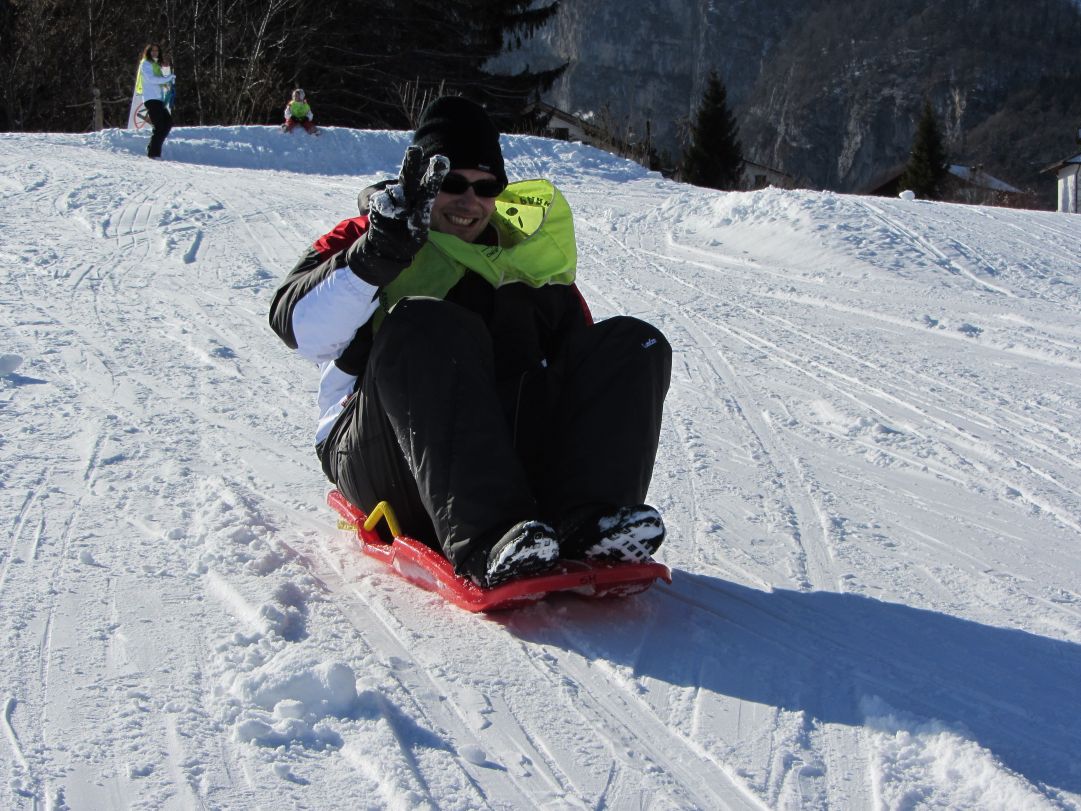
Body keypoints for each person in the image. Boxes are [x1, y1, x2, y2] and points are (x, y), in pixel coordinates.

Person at [269, 96, 672, 588]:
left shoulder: (523, 259)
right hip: (381, 448)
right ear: (421, 181)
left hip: (498, 451)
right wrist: (377, 256)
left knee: (634, 342)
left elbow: (578, 374)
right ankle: (488, 540)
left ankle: (590, 521)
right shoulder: (374, 233)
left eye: (486, 188)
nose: (469, 201)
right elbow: (300, 329)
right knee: (427, 323)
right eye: (451, 183)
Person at [135, 44, 174, 158]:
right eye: (152, 51)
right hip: (151, 98)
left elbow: (161, 81)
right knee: (160, 125)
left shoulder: (156, 65)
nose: (155, 53)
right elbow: (152, 79)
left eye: (157, 51)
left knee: (167, 123)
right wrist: (168, 78)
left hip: (158, 99)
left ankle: (154, 149)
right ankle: (153, 152)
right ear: (148, 52)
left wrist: (167, 80)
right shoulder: (146, 63)